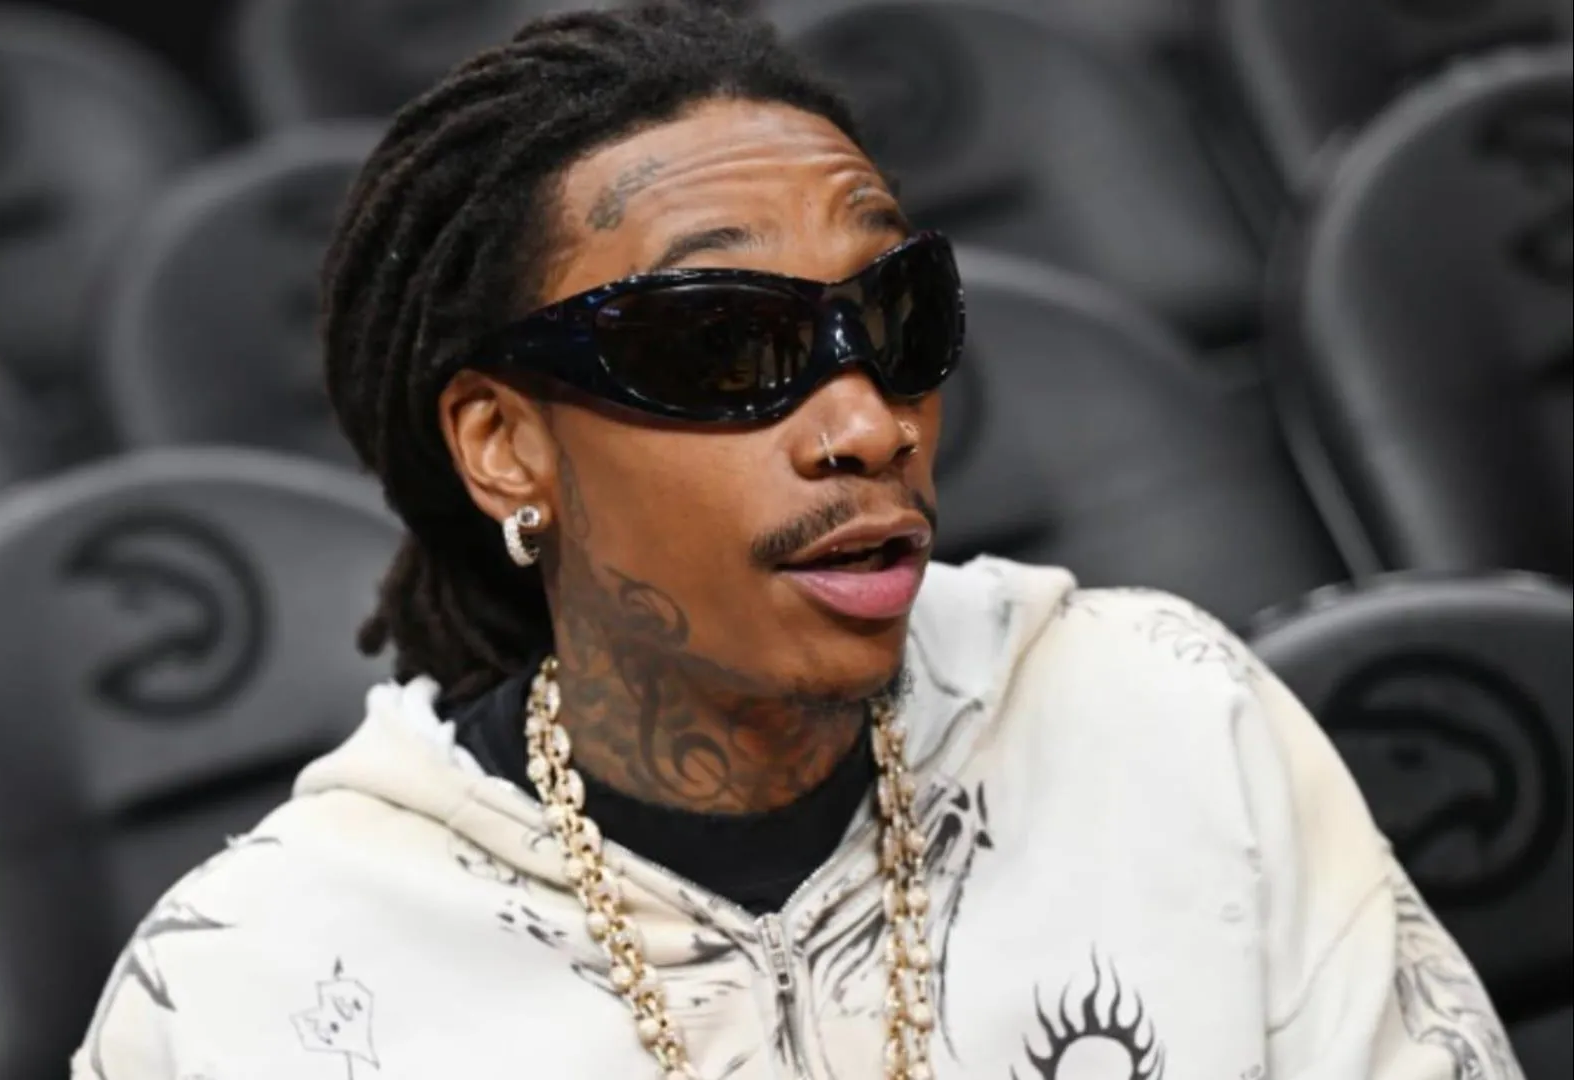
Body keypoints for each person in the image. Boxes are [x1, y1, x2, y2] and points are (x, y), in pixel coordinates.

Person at [75, 3, 1519, 1078]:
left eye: (896, 320)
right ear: (506, 443)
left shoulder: (1166, 717)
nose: (867, 425)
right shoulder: (253, 993)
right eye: (721, 344)